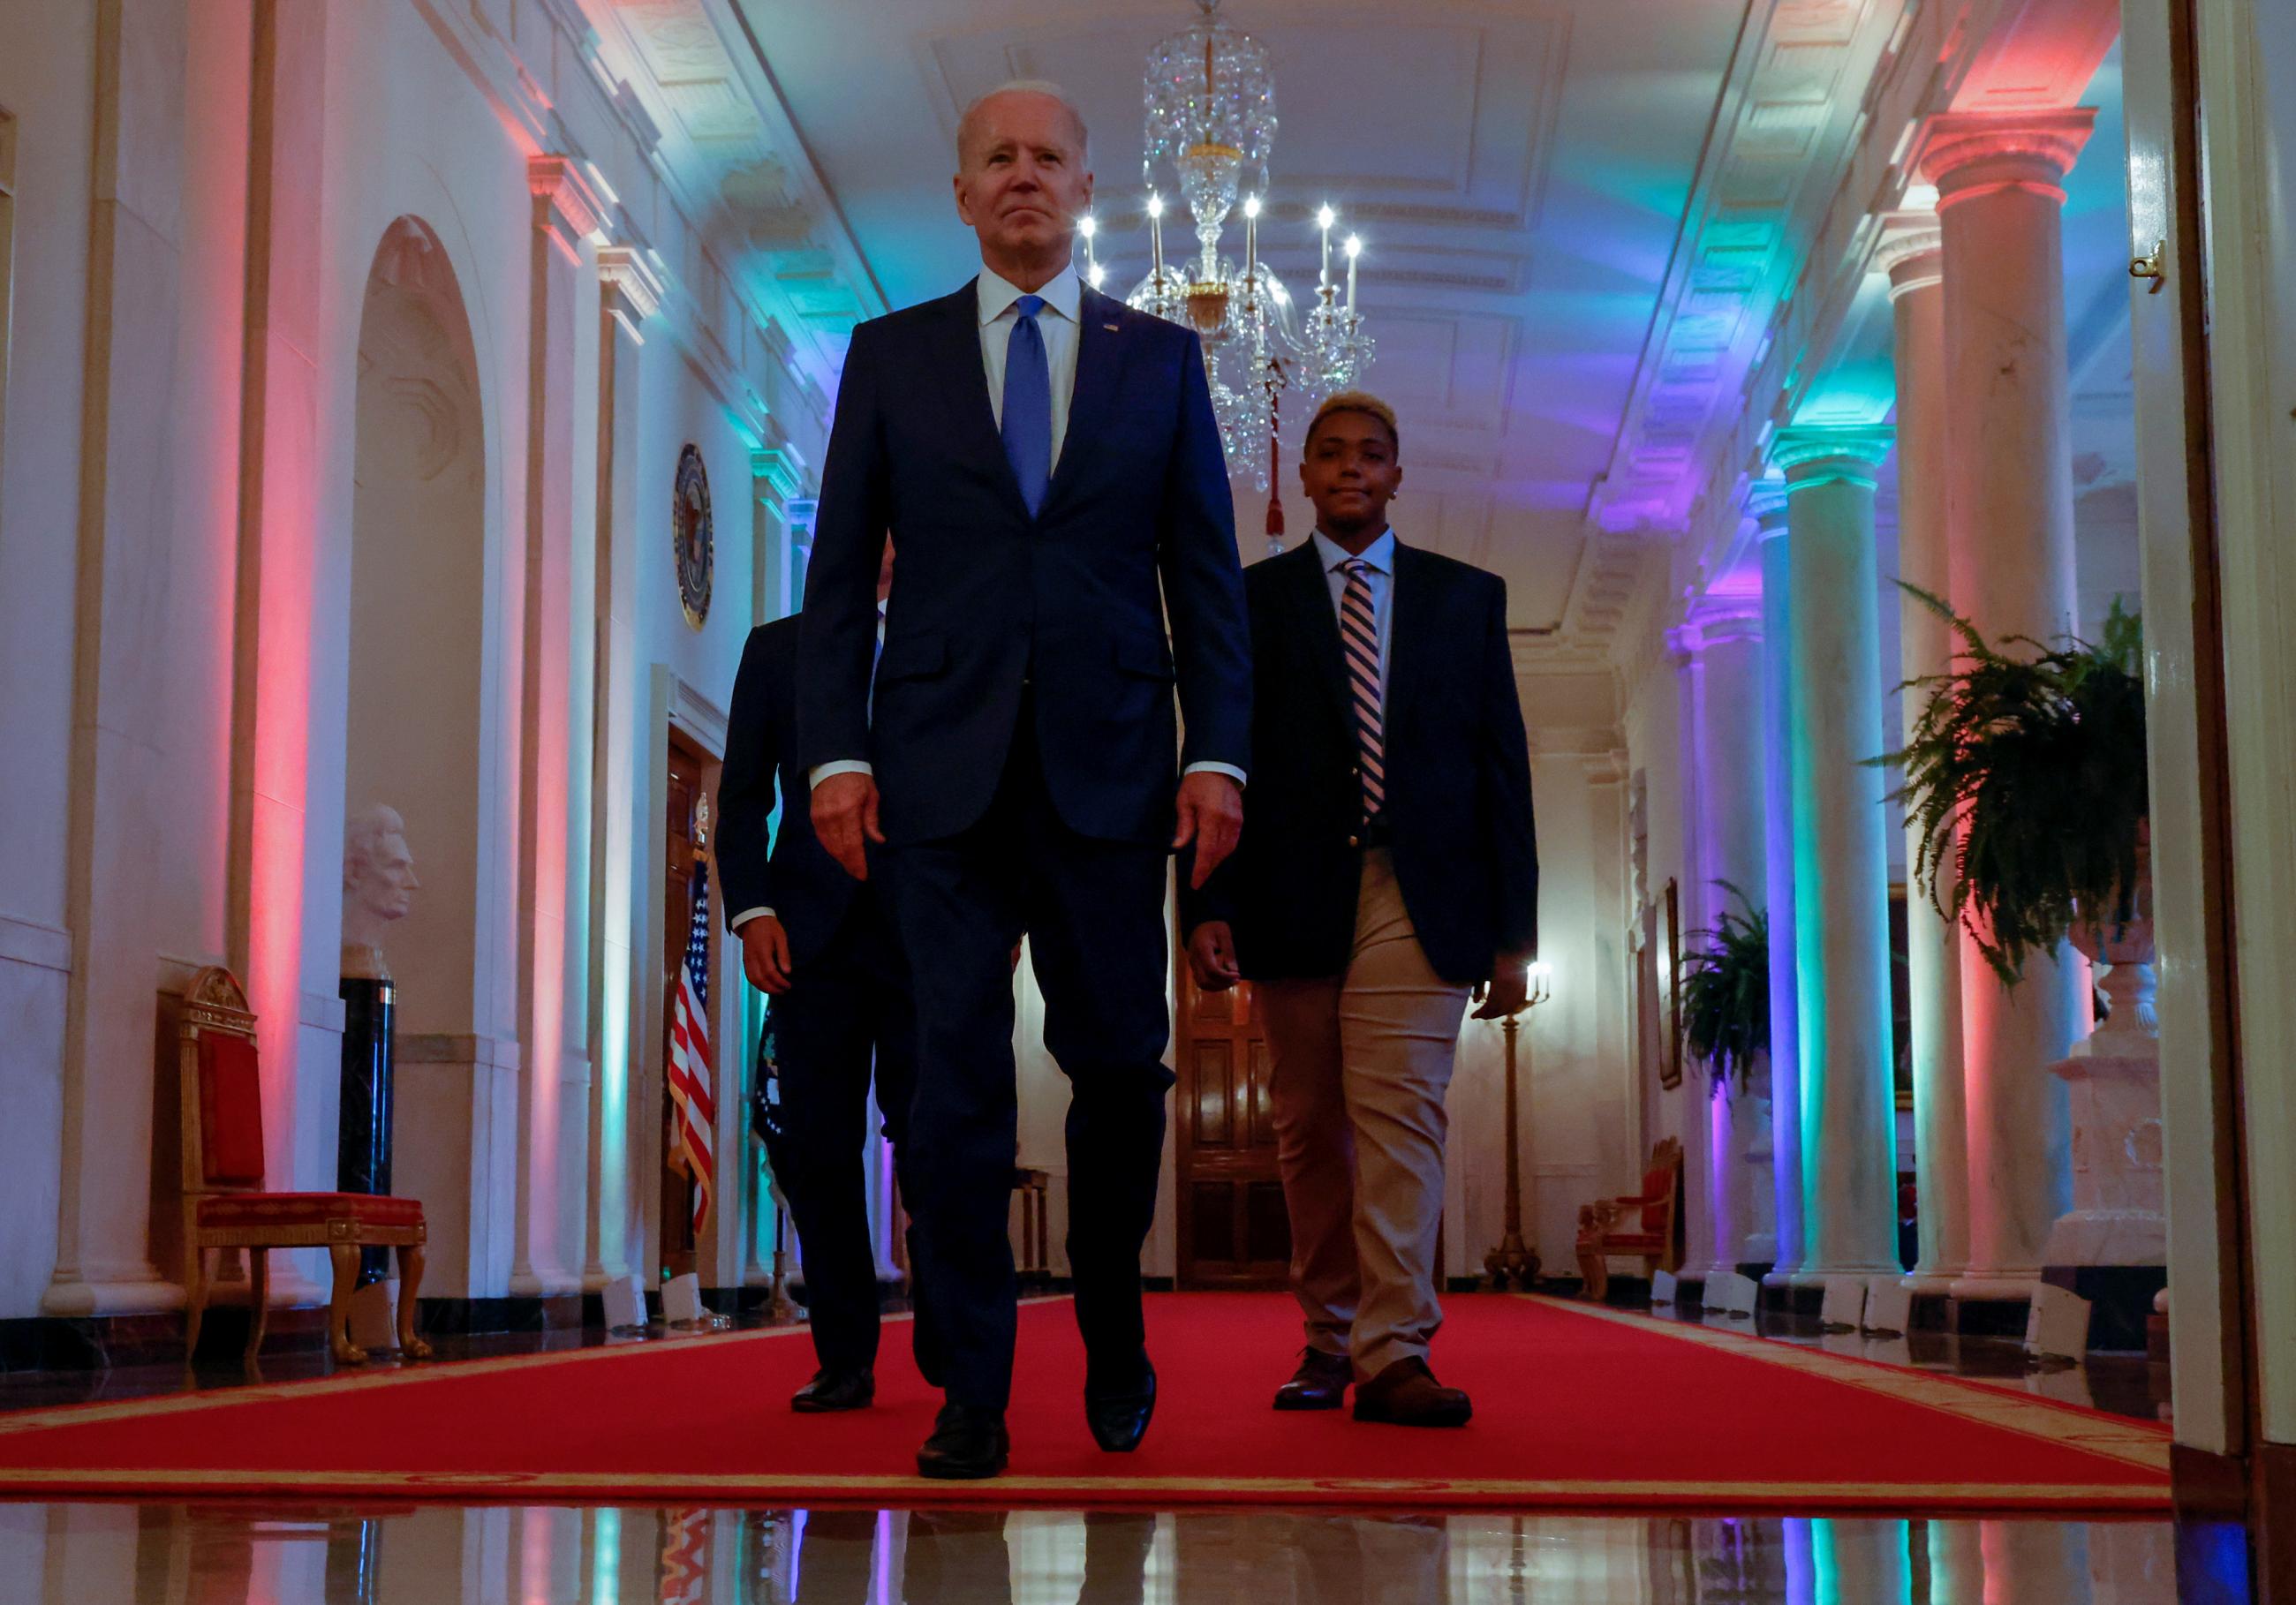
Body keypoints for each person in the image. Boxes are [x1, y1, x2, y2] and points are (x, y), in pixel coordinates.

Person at [797, 80, 1251, 1479]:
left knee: (1121, 1069)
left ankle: (1114, 1324)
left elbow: (1206, 574)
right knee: (950, 1084)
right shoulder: (890, 356)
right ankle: (973, 1389)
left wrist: (1218, 752)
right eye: (996, 156)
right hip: (935, 774)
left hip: (1114, 773)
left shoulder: (1162, 362)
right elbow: (835, 581)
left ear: (1085, 182)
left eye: (1048, 155)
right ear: (959, 189)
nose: (1023, 176)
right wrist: (834, 750)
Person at [1182, 391, 1538, 1428]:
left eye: (1370, 456)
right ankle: (1327, 1339)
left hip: (1420, 892)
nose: (1349, 470)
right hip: (1288, 890)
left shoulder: (1464, 598)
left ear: (1396, 474)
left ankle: (1395, 1353)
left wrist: (1512, 933)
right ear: (1301, 476)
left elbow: (1500, 771)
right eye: (1329, 455)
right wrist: (1202, 895)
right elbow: (1211, 751)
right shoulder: (1249, 603)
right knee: (1307, 1128)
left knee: (1401, 1122)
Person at [719, 544, 936, 1411]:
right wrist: (750, 911)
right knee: (817, 1153)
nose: (882, 549)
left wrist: (990, 916)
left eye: (896, 531)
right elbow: (740, 798)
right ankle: (843, 1355)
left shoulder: (946, 642)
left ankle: (949, 1332)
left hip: (927, 936)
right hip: (808, 940)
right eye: (867, 530)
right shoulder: (777, 650)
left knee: (932, 1145)